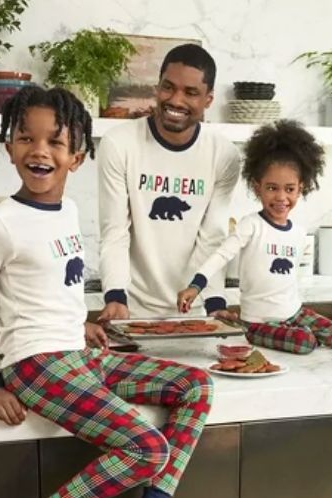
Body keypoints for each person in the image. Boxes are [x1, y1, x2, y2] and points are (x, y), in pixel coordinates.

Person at [0, 86, 213, 498]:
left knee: (196, 386)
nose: (39, 150)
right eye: (25, 138)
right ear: (8, 147)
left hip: (76, 356)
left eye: (55, 141)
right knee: (144, 446)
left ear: (77, 156)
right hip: (34, 366)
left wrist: (82, 326)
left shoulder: (71, 212)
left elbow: (58, 288)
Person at [177, 119, 332, 355]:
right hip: (259, 321)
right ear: (257, 187)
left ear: (301, 188)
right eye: (272, 188)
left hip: (295, 314)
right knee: (303, 342)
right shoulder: (251, 225)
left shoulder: (298, 232)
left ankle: (302, 347)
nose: (281, 197)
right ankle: (252, 332)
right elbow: (220, 256)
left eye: (289, 189)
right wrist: (195, 286)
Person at [98, 43, 240, 320]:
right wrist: (115, 295)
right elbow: (114, 232)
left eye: (191, 93)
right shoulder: (119, 143)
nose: (176, 100)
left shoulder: (224, 155)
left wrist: (214, 305)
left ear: (208, 100)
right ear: (157, 87)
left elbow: (213, 238)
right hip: (131, 310)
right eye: (168, 87)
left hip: (195, 311)